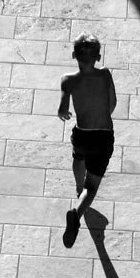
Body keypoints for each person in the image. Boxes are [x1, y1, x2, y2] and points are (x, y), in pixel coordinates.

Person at [57, 33, 116, 248]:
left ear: (74, 55)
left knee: (78, 156)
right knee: (92, 187)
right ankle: (76, 214)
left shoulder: (68, 80)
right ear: (98, 57)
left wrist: (65, 110)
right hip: (102, 135)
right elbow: (112, 103)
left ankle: (76, 185)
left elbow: (63, 108)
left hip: (81, 133)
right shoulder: (105, 75)